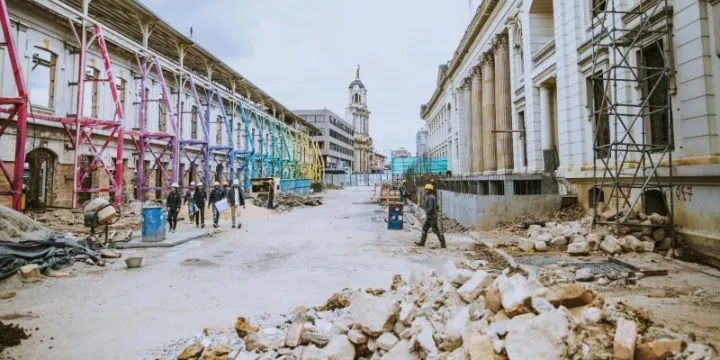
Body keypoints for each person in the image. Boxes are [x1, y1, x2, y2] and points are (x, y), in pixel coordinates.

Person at [415, 183, 446, 248]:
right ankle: (422, 242)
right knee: (424, 229)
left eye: (427, 190)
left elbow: (431, 207)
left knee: (436, 230)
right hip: (429, 217)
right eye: (426, 189)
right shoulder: (430, 197)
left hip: (432, 217)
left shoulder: (431, 197)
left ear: (430, 190)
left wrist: (425, 213)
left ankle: (443, 244)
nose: (426, 191)